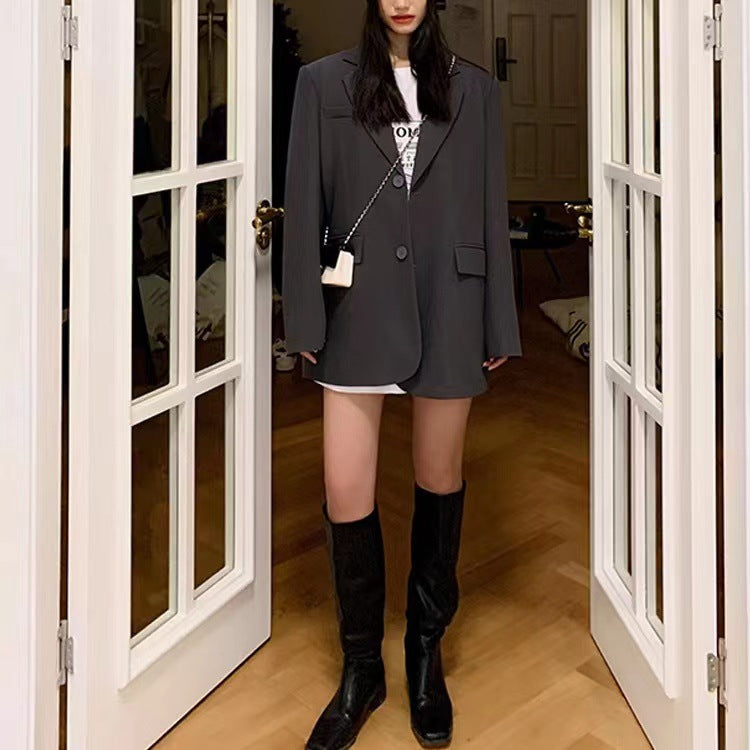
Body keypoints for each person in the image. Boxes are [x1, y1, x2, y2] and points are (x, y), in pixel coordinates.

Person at [281, 1, 522, 747]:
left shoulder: (474, 90)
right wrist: (304, 320)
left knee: (438, 480)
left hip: (451, 301)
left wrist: (499, 319)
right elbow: (303, 205)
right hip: (357, 308)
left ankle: (424, 655)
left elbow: (490, 208)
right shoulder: (323, 83)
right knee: (345, 488)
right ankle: (361, 669)